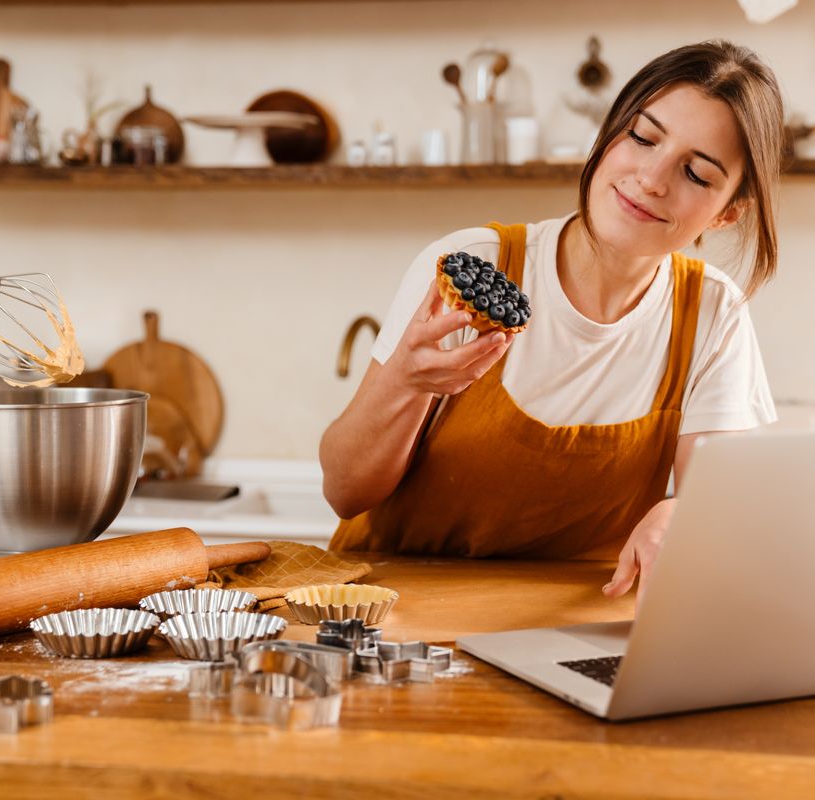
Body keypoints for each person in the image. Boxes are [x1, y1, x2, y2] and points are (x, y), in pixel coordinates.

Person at [321, 40, 784, 599]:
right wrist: (404, 381)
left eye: (696, 173)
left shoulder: (713, 313)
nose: (652, 178)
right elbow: (344, 491)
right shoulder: (476, 264)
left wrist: (685, 517)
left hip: (564, 630)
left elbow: (715, 505)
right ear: (608, 134)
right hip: (388, 614)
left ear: (730, 210)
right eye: (642, 137)